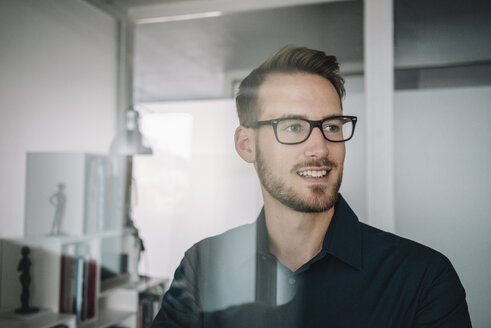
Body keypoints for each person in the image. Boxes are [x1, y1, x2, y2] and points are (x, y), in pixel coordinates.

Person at [151, 46, 471, 327]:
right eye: (293, 126)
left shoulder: (424, 280)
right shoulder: (204, 265)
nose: (320, 148)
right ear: (247, 145)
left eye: (331, 126)